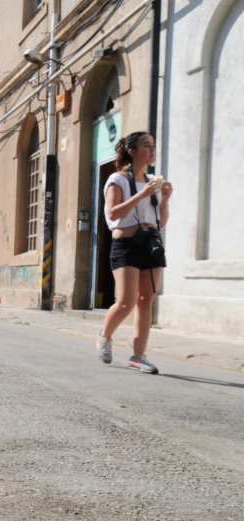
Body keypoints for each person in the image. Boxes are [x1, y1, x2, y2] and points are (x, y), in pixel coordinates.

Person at [96, 131, 173, 374]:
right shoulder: (117, 180)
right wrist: (142, 194)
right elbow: (113, 214)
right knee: (127, 300)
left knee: (145, 300)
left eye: (153, 146)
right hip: (126, 244)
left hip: (151, 244)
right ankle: (104, 336)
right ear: (132, 151)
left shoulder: (154, 183)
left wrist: (165, 199)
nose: (152, 150)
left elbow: (160, 221)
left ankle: (139, 356)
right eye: (146, 146)